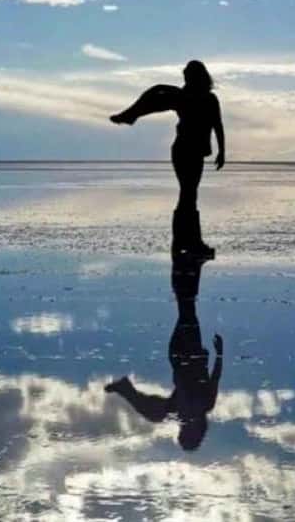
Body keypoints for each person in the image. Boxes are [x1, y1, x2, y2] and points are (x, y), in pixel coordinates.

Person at [105, 255, 223, 451]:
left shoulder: (183, 411)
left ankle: (192, 267)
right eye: (184, 431)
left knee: (186, 305)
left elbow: (165, 405)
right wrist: (219, 355)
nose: (182, 427)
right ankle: (192, 266)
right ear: (194, 431)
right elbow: (215, 378)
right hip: (191, 352)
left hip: (178, 355)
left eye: (182, 430)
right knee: (186, 305)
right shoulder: (204, 405)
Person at [110, 60, 224, 257]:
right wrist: (222, 151)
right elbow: (157, 100)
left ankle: (186, 241)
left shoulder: (202, 98)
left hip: (192, 151)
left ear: (197, 77)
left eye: (188, 76)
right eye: (185, 76)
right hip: (184, 150)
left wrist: (223, 151)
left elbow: (217, 124)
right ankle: (188, 242)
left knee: (188, 194)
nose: (185, 79)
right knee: (188, 194)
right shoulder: (185, 96)